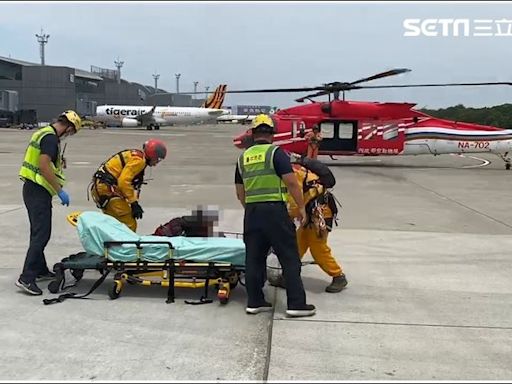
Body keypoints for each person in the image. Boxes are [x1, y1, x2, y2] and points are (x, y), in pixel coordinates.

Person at [235, 114, 316, 317]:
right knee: (289, 258)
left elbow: (239, 192)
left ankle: (254, 301)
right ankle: (296, 304)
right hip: (275, 211)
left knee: (253, 259)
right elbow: (291, 182)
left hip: (252, 213)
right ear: (272, 134)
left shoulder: (242, 158)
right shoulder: (276, 153)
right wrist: (301, 207)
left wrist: (251, 208)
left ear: (253, 134)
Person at [17, 110, 82, 295]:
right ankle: (26, 278)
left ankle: (39, 269)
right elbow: (43, 165)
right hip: (38, 190)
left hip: (32, 189)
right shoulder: (51, 139)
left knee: (37, 232)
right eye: (71, 132)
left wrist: (59, 162)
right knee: (42, 235)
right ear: (68, 127)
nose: (69, 135)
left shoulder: (44, 132)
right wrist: (60, 191)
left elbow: (46, 161)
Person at [271, 160, 348, 293]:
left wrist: (287, 218)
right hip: (311, 213)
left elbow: (296, 199)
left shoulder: (293, 174)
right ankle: (287, 276)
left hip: (319, 214)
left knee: (318, 248)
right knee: (297, 245)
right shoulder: (293, 170)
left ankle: (338, 276)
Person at [89, 139, 167, 232]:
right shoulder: (139, 161)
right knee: (129, 223)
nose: (156, 164)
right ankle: (126, 245)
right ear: (152, 155)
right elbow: (123, 182)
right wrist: (134, 203)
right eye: (157, 160)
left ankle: (110, 243)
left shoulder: (134, 155)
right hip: (107, 189)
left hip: (102, 188)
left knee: (113, 221)